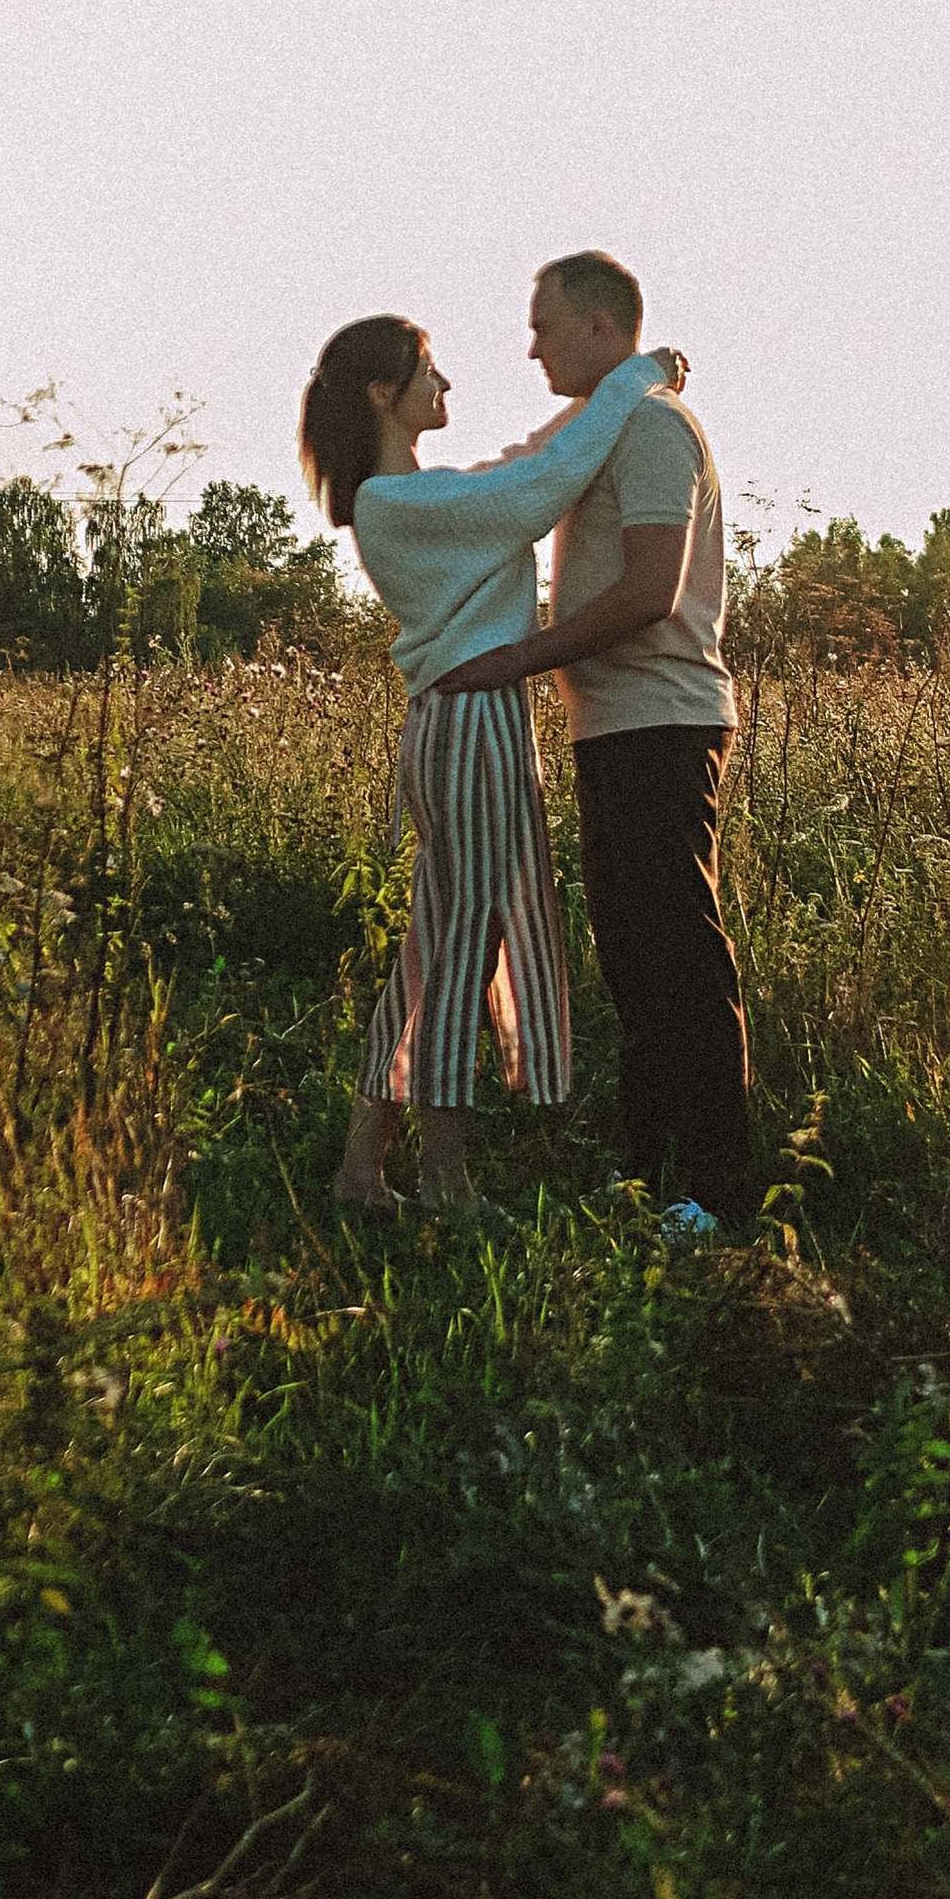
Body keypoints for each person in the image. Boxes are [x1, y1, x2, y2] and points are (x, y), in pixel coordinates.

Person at [297, 311, 680, 1223]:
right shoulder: (400, 505)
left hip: (470, 723)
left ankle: (360, 1174)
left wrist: (606, 389)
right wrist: (638, 379)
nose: (448, 384)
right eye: (428, 369)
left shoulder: (430, 497)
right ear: (382, 395)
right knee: (465, 952)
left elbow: (530, 460)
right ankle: (445, 1183)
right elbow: (543, 484)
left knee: (437, 950)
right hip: (470, 727)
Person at [434, 251, 751, 1239]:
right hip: (617, 724)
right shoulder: (614, 416)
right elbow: (529, 465)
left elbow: (651, 589)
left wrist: (519, 658)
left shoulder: (651, 429)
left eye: (544, 325)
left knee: (676, 958)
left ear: (597, 326)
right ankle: (656, 1179)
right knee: (634, 957)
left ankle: (717, 1195)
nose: (530, 344)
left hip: (664, 719)